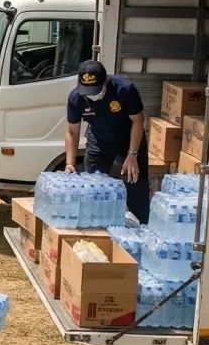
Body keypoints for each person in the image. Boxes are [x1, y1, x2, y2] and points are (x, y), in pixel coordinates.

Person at [65, 60, 151, 224]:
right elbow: (72, 131)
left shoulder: (124, 89)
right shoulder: (76, 98)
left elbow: (138, 121)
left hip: (129, 140)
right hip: (99, 141)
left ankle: (140, 229)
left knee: (135, 186)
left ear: (105, 81)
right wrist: (70, 163)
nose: (92, 95)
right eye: (87, 91)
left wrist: (132, 154)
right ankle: (95, 230)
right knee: (93, 189)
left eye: (95, 90)